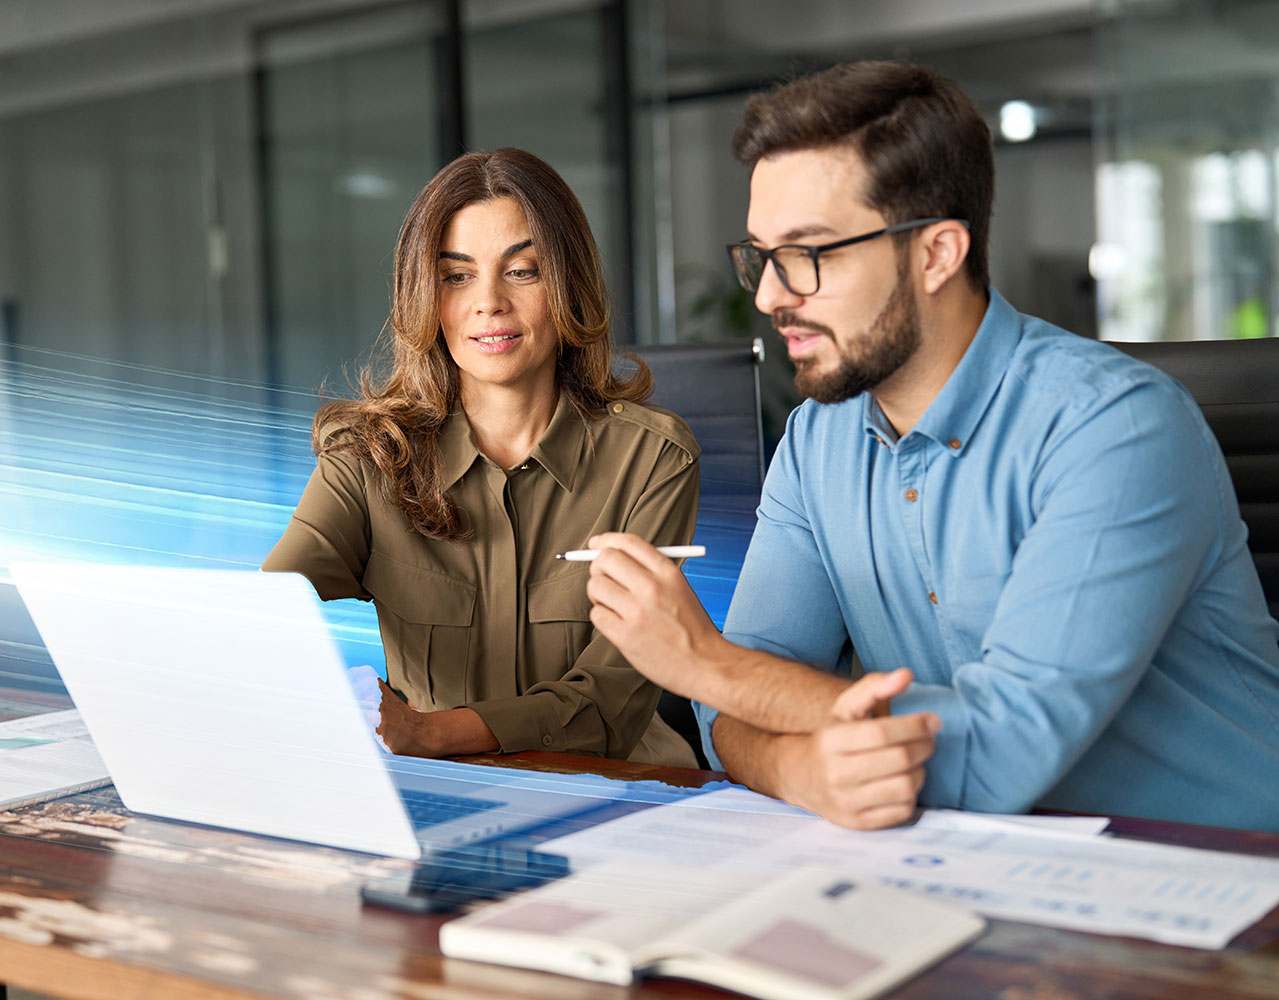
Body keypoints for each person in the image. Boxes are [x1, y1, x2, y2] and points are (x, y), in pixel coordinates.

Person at [583, 62, 1279, 831]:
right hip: (979, 871)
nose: (769, 295)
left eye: (809, 253)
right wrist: (797, 767)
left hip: (1223, 879)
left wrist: (704, 663)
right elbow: (734, 715)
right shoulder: (818, 440)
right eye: (759, 255)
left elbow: (994, 756)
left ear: (936, 254)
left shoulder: (1116, 428)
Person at [264, 148, 700, 767]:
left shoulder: (652, 458)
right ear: (425, 294)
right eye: (457, 275)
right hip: (437, 797)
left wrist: (430, 734)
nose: (488, 301)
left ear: (567, 283)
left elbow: (609, 699)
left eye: (522, 271)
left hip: (621, 792)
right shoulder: (365, 458)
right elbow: (269, 614)